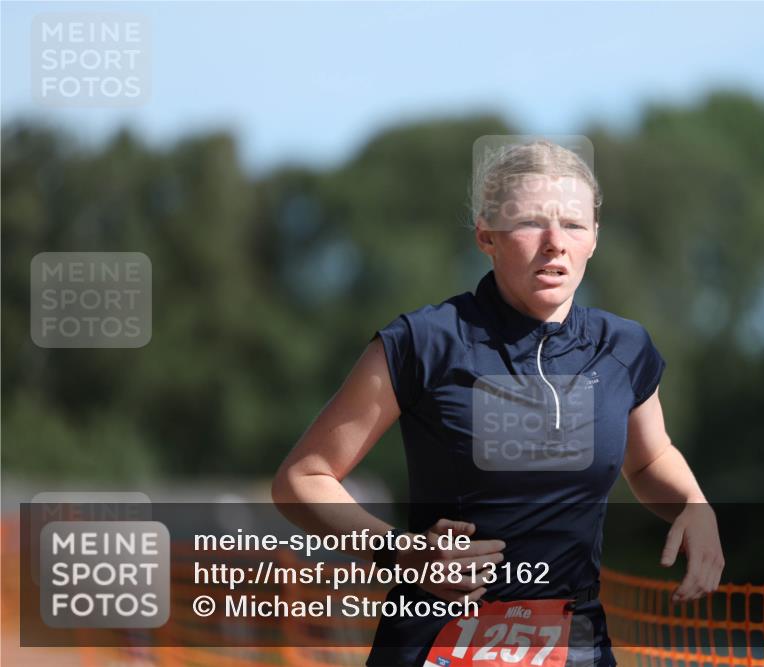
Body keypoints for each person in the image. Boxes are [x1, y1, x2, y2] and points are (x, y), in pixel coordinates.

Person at [272, 139, 724, 666]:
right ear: (486, 235)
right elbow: (302, 479)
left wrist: (694, 507)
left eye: (574, 225)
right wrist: (402, 551)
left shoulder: (623, 348)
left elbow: (648, 460)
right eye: (530, 222)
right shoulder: (424, 342)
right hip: (436, 642)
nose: (555, 243)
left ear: (595, 238)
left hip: (576, 644)